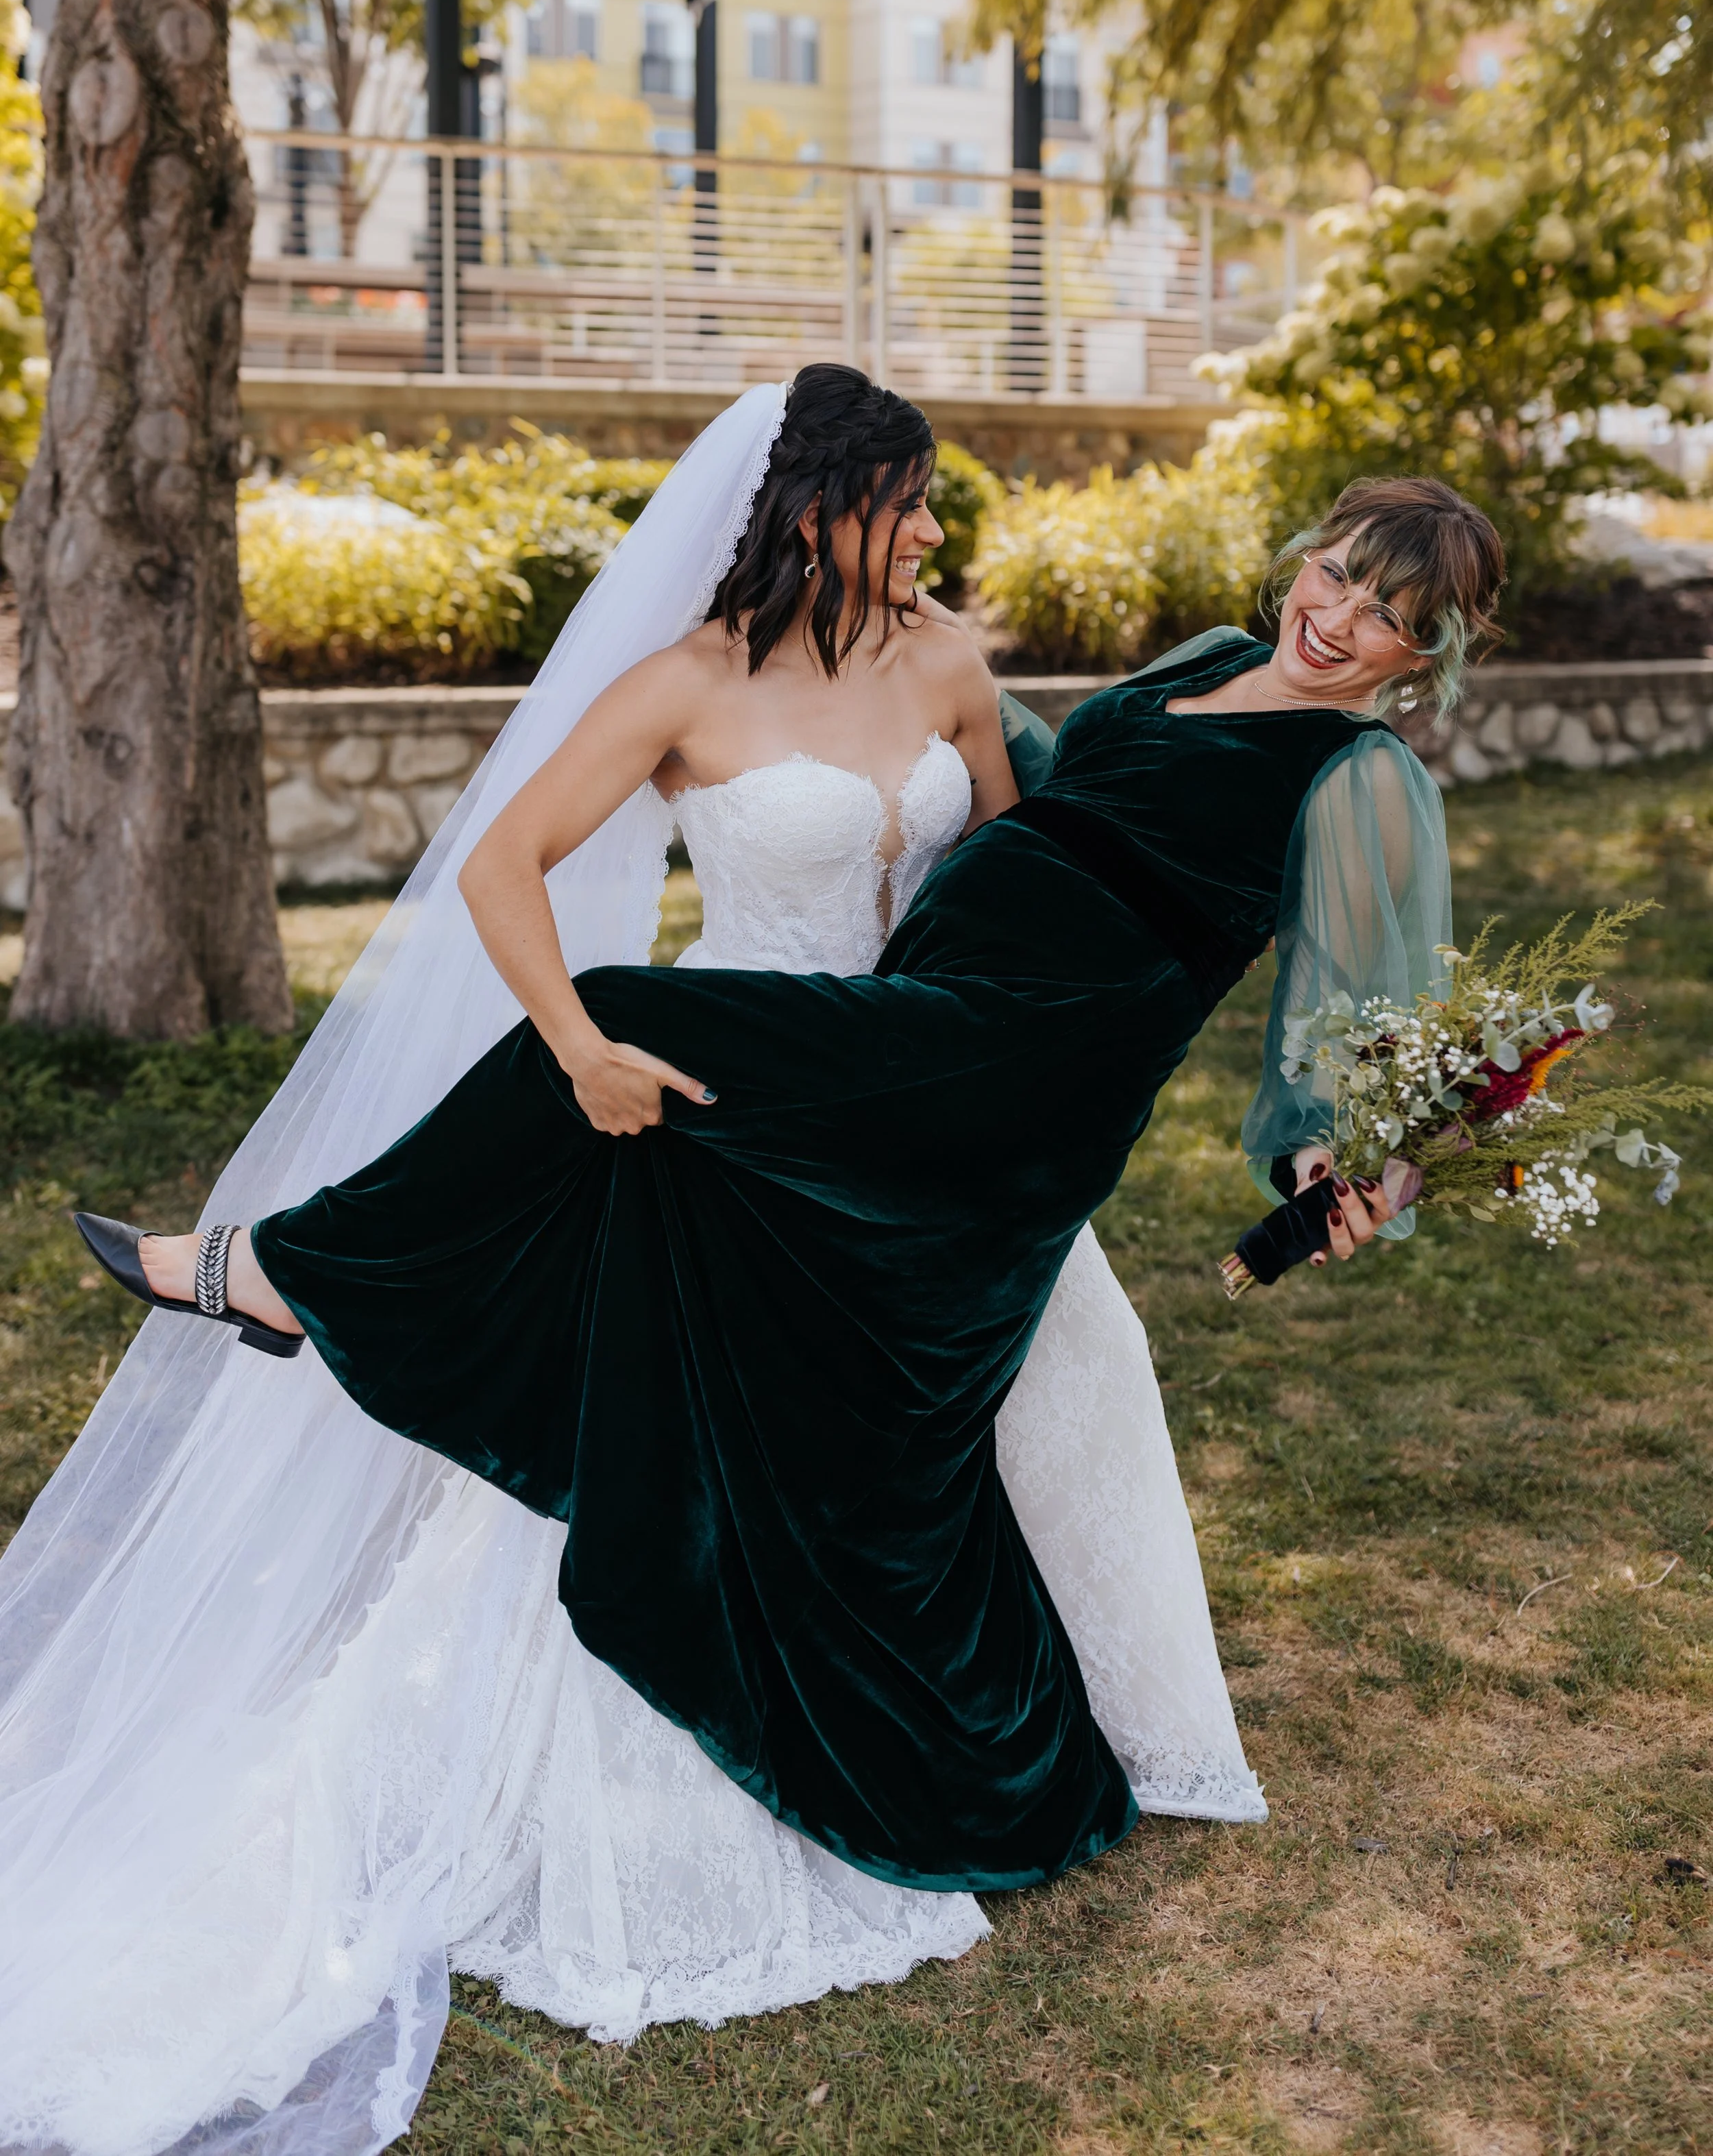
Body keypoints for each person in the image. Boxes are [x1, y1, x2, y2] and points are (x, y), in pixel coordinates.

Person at [0, 373, 1266, 2156]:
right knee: (697, 1416)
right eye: (904, 499)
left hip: (914, 1097)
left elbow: (1012, 876)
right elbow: (506, 865)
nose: (930, 529)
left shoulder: (947, 663)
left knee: (1069, 1358)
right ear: (815, 507)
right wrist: (582, 1044)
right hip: (730, 1100)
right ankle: (308, 1293)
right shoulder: (685, 681)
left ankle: (1075, 1715)